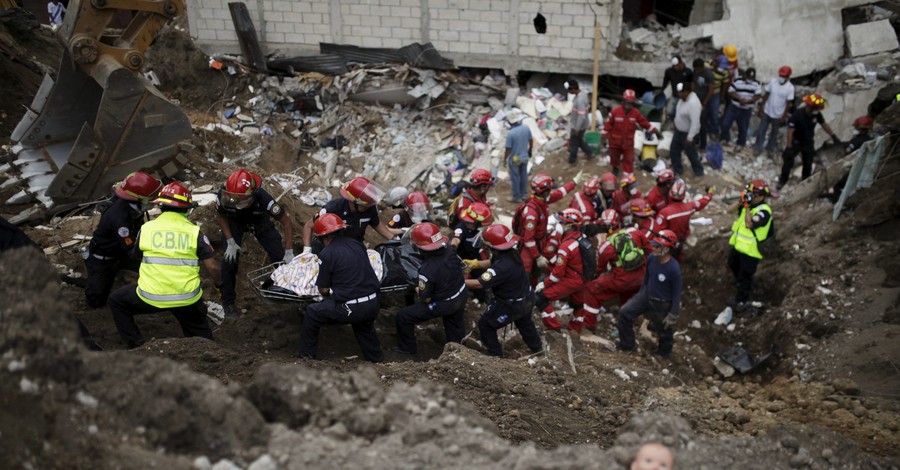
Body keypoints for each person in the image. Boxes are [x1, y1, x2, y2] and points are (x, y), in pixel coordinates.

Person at [107, 182, 220, 349]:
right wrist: (220, 285)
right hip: (185, 297)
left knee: (116, 301)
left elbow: (136, 255)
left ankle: (137, 345)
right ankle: (210, 352)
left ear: (160, 206)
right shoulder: (194, 232)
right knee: (200, 331)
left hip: (151, 296)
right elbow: (213, 267)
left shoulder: (147, 229)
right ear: (186, 209)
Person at [297, 213, 384, 362]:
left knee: (313, 312)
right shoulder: (357, 244)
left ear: (323, 238)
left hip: (351, 308)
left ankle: (306, 356)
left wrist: (330, 298)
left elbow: (323, 289)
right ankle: (377, 360)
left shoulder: (327, 253)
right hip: (373, 304)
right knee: (363, 326)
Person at [216, 169, 294, 318]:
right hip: (234, 222)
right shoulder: (224, 195)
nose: (236, 202)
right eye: (234, 199)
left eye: (241, 200)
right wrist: (230, 241)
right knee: (228, 262)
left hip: (259, 221)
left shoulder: (262, 197)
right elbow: (220, 215)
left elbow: (287, 222)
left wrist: (289, 251)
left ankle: (289, 290)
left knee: (279, 255)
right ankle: (228, 303)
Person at [84, 172, 161, 308]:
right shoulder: (119, 218)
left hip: (121, 252)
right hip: (104, 258)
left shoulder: (133, 207)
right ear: (138, 200)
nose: (152, 204)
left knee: (152, 268)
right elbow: (131, 249)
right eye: (150, 200)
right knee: (97, 296)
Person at [465, 224, 543, 358]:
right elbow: (492, 262)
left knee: (486, 325)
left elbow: (479, 284)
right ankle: (538, 349)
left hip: (511, 305)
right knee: (525, 323)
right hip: (526, 298)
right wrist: (476, 263)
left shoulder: (501, 268)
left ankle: (496, 356)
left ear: (493, 247)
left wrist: (458, 282)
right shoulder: (511, 253)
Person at [394, 222, 468, 354]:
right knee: (454, 325)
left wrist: (416, 287)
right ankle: (459, 352)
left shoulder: (427, 270)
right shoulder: (450, 250)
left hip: (443, 304)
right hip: (460, 294)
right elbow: (455, 244)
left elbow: (426, 299)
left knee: (403, 317)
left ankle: (407, 349)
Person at [577, 209, 649, 333]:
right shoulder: (635, 232)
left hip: (623, 280)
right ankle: (631, 320)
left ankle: (588, 325)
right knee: (627, 294)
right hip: (643, 277)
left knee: (592, 289)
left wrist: (590, 278)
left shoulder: (605, 247)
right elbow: (649, 249)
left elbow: (599, 268)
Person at [615, 229, 682, 357]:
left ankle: (663, 354)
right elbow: (646, 278)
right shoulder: (652, 258)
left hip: (662, 304)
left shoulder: (674, 269)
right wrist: (640, 295)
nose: (654, 248)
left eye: (657, 246)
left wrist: (673, 313)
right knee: (625, 313)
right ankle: (627, 345)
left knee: (663, 330)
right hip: (646, 295)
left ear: (667, 249)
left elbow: (677, 293)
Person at [302, 176, 399, 253]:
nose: (368, 208)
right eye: (365, 206)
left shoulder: (369, 208)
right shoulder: (333, 208)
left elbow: (378, 225)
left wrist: (396, 241)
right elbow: (308, 226)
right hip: (328, 246)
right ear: (353, 202)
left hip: (353, 245)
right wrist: (307, 250)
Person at [513, 172, 583, 278]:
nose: (551, 192)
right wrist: (537, 257)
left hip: (540, 242)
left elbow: (559, 194)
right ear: (545, 192)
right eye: (550, 190)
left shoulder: (541, 200)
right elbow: (528, 240)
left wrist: (574, 183)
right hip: (528, 248)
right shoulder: (532, 213)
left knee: (536, 273)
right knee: (524, 275)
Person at [533, 209, 589, 331]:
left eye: (562, 222)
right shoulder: (581, 237)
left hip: (572, 279)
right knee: (578, 304)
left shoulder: (565, 246)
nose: (559, 224)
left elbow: (558, 273)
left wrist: (544, 283)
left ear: (569, 226)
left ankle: (555, 328)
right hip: (583, 278)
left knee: (540, 298)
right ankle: (575, 328)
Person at [776, 93, 842, 190]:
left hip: (808, 142)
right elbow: (790, 131)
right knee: (788, 161)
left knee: (808, 162)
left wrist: (833, 135)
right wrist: (789, 146)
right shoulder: (797, 115)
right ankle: (783, 180)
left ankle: (805, 181)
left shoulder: (817, 115)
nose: (817, 111)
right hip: (796, 142)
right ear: (810, 107)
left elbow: (824, 125)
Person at [728, 180, 773, 318]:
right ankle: (740, 288)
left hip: (752, 251)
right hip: (739, 246)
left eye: (754, 194)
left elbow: (750, 224)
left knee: (745, 276)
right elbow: (729, 210)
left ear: (761, 197)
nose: (752, 196)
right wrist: (741, 201)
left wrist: (747, 206)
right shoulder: (748, 205)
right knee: (732, 264)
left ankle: (741, 302)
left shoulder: (764, 211)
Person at [604, 89, 660, 176]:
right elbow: (608, 124)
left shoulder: (635, 113)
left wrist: (654, 130)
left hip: (628, 143)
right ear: (623, 101)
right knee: (614, 157)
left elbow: (644, 122)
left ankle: (628, 177)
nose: (628, 105)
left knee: (629, 160)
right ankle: (615, 168)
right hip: (615, 141)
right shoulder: (615, 112)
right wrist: (605, 133)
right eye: (627, 102)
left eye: (630, 103)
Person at [654, 179, 713, 258]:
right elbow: (703, 201)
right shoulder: (689, 208)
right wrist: (710, 193)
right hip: (681, 242)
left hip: (667, 244)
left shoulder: (664, 213)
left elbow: (656, 230)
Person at [453, 202, 492, 302]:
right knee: (456, 279)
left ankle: (480, 297)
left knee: (480, 274)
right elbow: (456, 237)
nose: (467, 223)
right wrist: (453, 245)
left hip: (475, 256)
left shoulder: (478, 229)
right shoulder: (461, 227)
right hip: (461, 257)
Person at [753, 66, 795, 157]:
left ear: (788, 77)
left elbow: (788, 104)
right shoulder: (773, 82)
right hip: (767, 111)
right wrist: (762, 106)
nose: (781, 78)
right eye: (780, 75)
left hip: (778, 115)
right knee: (761, 130)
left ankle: (770, 149)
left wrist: (784, 116)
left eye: (784, 76)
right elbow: (767, 94)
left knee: (774, 133)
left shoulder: (790, 88)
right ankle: (758, 147)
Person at [720, 68, 763, 153]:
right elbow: (731, 91)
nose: (749, 79)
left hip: (746, 109)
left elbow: (757, 96)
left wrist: (747, 101)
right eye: (748, 77)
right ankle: (724, 139)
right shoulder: (737, 80)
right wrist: (739, 98)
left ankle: (740, 144)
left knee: (743, 127)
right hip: (734, 107)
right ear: (745, 75)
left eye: (751, 77)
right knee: (725, 124)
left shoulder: (756, 83)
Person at [669, 82, 704, 177]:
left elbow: (695, 122)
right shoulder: (682, 99)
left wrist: (690, 137)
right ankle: (677, 169)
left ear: (686, 92)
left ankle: (699, 172)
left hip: (688, 134)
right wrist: (675, 123)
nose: (678, 94)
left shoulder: (693, 103)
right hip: (679, 131)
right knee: (674, 150)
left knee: (691, 154)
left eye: (680, 93)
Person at [504, 109, 533, 203]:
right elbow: (531, 140)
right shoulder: (526, 128)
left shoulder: (511, 133)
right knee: (524, 175)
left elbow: (508, 149)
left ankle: (516, 197)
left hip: (515, 158)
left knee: (515, 177)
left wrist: (504, 159)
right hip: (525, 156)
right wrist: (530, 150)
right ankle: (524, 194)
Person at [567, 81, 593, 165]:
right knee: (579, 141)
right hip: (581, 124)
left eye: (569, 90)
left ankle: (572, 161)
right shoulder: (582, 94)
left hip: (578, 126)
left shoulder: (580, 100)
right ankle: (589, 152)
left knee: (574, 143)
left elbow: (581, 116)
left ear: (574, 89)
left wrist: (576, 129)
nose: (569, 92)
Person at [661, 56, 694, 122]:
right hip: (675, 95)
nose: (676, 67)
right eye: (674, 66)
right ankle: (674, 122)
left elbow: (692, 83)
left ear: (681, 63)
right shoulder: (669, 71)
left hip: (685, 97)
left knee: (684, 113)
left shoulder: (688, 71)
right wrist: (661, 91)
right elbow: (665, 82)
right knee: (670, 111)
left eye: (677, 66)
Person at [692, 58, 716, 148]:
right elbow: (693, 83)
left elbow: (711, 90)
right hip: (695, 100)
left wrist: (704, 104)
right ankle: (695, 141)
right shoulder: (694, 73)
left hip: (704, 101)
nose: (697, 71)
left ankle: (703, 144)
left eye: (698, 69)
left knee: (702, 124)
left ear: (702, 68)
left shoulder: (708, 74)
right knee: (694, 122)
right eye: (695, 69)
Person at [708, 56, 731, 139]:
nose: (722, 68)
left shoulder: (725, 72)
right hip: (705, 93)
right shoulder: (707, 66)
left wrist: (722, 96)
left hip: (715, 93)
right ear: (716, 62)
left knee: (714, 113)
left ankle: (714, 131)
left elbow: (725, 84)